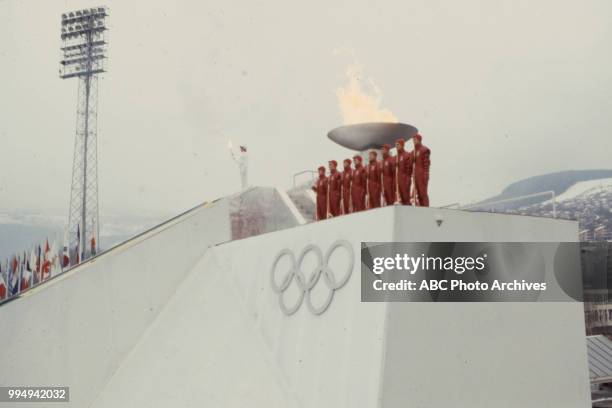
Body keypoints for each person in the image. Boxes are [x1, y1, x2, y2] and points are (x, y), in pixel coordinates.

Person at [411, 134, 431, 207]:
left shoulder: (424, 150)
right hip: (415, 175)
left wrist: (426, 173)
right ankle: (421, 207)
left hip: (422, 174)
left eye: (415, 140)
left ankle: (426, 207)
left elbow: (426, 163)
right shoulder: (413, 152)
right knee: (418, 194)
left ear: (419, 140)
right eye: (413, 140)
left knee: (423, 193)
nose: (413, 141)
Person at [395, 138, 413, 205]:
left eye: (398, 145)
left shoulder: (407, 155)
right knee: (401, 197)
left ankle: (408, 209)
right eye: (396, 145)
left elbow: (409, 167)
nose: (396, 146)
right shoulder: (396, 157)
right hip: (399, 179)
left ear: (402, 145)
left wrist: (407, 177)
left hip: (405, 178)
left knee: (406, 196)